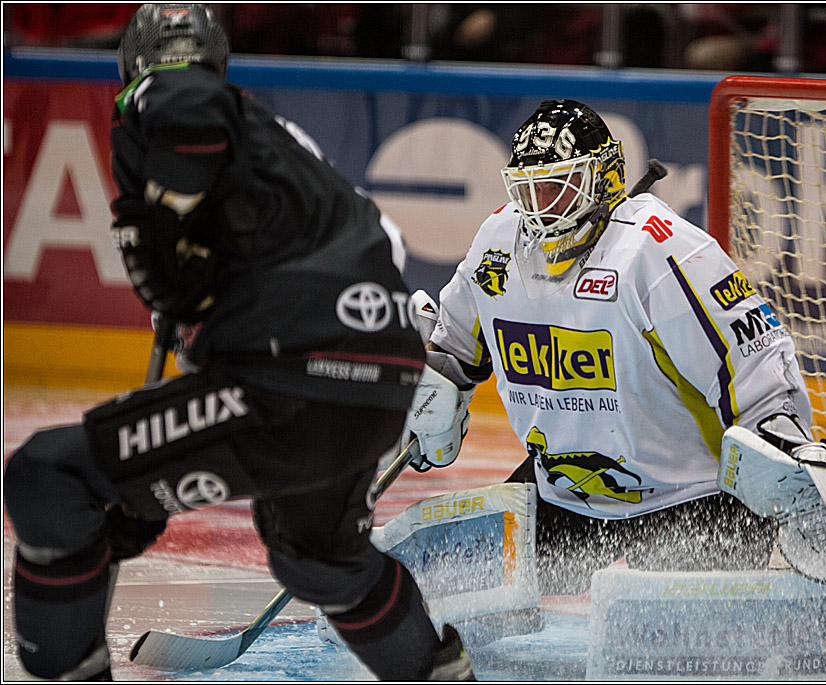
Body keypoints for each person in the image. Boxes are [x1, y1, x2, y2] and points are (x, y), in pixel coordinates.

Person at [3, 4, 473, 681]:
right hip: (372, 382)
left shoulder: (169, 95)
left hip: (291, 376)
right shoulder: (277, 148)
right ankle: (438, 672)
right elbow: (383, 253)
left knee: (48, 476)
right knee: (318, 555)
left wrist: (168, 208)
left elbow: (185, 103)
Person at [405, 99, 826, 595]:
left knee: (681, 653)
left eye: (558, 188)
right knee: (454, 592)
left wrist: (790, 451)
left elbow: (753, 364)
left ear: (601, 179)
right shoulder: (498, 242)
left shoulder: (659, 248)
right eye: (529, 189)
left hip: (693, 500)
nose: (540, 209)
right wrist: (431, 390)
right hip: (566, 493)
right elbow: (455, 348)